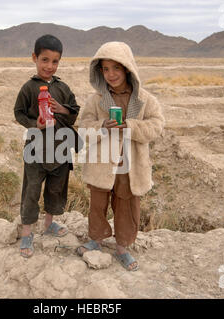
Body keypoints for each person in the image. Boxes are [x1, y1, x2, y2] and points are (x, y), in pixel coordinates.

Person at [76, 41, 165, 271]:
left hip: (130, 166)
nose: (111, 74)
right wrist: (101, 126)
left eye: (116, 68)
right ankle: (96, 239)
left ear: (127, 68)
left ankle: (123, 246)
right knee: (97, 204)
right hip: (101, 164)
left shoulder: (145, 99)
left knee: (127, 205)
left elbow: (156, 126)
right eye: (105, 69)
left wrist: (131, 127)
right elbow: (83, 128)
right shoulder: (95, 100)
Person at [14, 34, 80, 258]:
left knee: (55, 189)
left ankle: (49, 223)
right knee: (31, 191)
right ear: (34, 58)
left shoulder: (63, 88)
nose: (49, 66)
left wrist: (62, 109)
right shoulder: (28, 88)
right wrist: (36, 124)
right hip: (36, 149)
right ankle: (26, 232)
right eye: (44, 60)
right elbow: (18, 113)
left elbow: (73, 113)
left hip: (61, 149)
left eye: (55, 61)